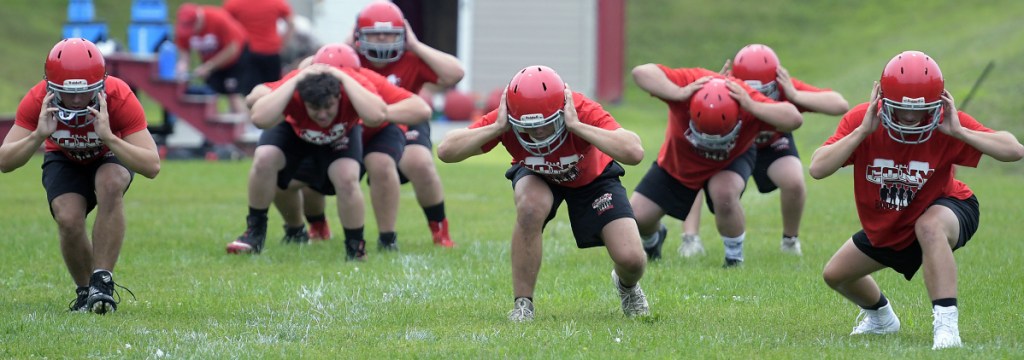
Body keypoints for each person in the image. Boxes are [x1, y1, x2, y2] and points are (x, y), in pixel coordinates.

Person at [808, 50, 1023, 350]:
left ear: (937, 103)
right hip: (892, 225)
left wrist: (960, 132)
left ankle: (947, 328)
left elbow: (1013, 150)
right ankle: (881, 318)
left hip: (949, 207)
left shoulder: (947, 123)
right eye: (901, 110)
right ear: (882, 100)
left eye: (919, 111)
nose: (910, 119)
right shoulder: (863, 120)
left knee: (929, 226)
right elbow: (817, 168)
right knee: (836, 276)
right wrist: (861, 132)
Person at [437, 65, 650, 321]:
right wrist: (497, 128)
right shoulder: (505, 118)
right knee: (529, 207)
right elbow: (446, 151)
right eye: (530, 126)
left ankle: (626, 286)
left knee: (632, 260)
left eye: (546, 124)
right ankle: (523, 303)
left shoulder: (579, 108)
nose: (538, 133)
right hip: (538, 175)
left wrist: (576, 126)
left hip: (593, 179)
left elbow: (634, 152)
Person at [0, 39, 161, 314]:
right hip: (64, 158)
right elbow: (5, 161)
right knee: (68, 218)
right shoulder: (38, 98)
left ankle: (103, 280)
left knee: (109, 183)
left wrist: (109, 137)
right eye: (67, 92)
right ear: (50, 85)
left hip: (108, 154)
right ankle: (87, 290)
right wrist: (38, 135)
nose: (76, 100)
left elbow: (151, 165)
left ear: (101, 84)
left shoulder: (118, 95)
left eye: (84, 92)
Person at [292, 0, 463, 247]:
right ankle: (317, 225)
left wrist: (415, 44)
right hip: (350, 122)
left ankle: (438, 230)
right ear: (359, 35)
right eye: (375, 34)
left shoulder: (411, 56)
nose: (382, 40)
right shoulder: (348, 57)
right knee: (315, 168)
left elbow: (455, 73)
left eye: (390, 34)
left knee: (419, 163)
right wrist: (344, 44)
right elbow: (306, 70)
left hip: (399, 117)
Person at [246, 43, 432, 248]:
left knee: (361, 169)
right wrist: (296, 78)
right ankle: (290, 229)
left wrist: (361, 99)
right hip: (305, 135)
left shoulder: (361, 80)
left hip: (349, 135)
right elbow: (255, 101)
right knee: (280, 175)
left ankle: (378, 240)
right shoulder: (303, 81)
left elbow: (385, 114)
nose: (323, 110)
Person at [677, 44, 849, 258]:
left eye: (764, 92)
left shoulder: (784, 88)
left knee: (794, 180)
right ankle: (690, 238)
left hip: (770, 145)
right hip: (733, 148)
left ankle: (790, 240)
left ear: (776, 82)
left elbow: (840, 104)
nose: (756, 96)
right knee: (694, 172)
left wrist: (794, 94)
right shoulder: (725, 87)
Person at [629, 63, 802, 267]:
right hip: (680, 162)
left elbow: (794, 118)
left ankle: (734, 258)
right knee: (637, 219)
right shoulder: (690, 83)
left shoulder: (745, 99)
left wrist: (753, 105)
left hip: (730, 159)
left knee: (725, 194)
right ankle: (654, 239)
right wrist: (678, 92)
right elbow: (640, 72)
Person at [225, 62, 387, 261]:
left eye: (328, 106)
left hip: (341, 134)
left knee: (347, 177)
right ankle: (255, 232)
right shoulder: (297, 83)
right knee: (265, 157)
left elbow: (378, 116)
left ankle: (355, 246)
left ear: (339, 95)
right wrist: (295, 80)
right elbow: (259, 118)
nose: (322, 114)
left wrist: (343, 77)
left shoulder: (353, 82)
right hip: (295, 130)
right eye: (314, 108)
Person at [174, 3, 255, 115]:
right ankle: (216, 129)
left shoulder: (218, 19)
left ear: (199, 20)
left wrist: (209, 66)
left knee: (233, 94)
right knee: (211, 94)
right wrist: (182, 67)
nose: (191, 31)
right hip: (212, 60)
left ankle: (247, 127)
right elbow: (184, 52)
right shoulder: (183, 27)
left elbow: (232, 49)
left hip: (236, 56)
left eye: (193, 27)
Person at [223, 0, 294, 85]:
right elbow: (291, 23)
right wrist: (283, 44)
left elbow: (225, 24)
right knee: (272, 88)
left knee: (248, 90)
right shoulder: (276, 2)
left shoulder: (234, 3)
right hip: (271, 51)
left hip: (247, 52)